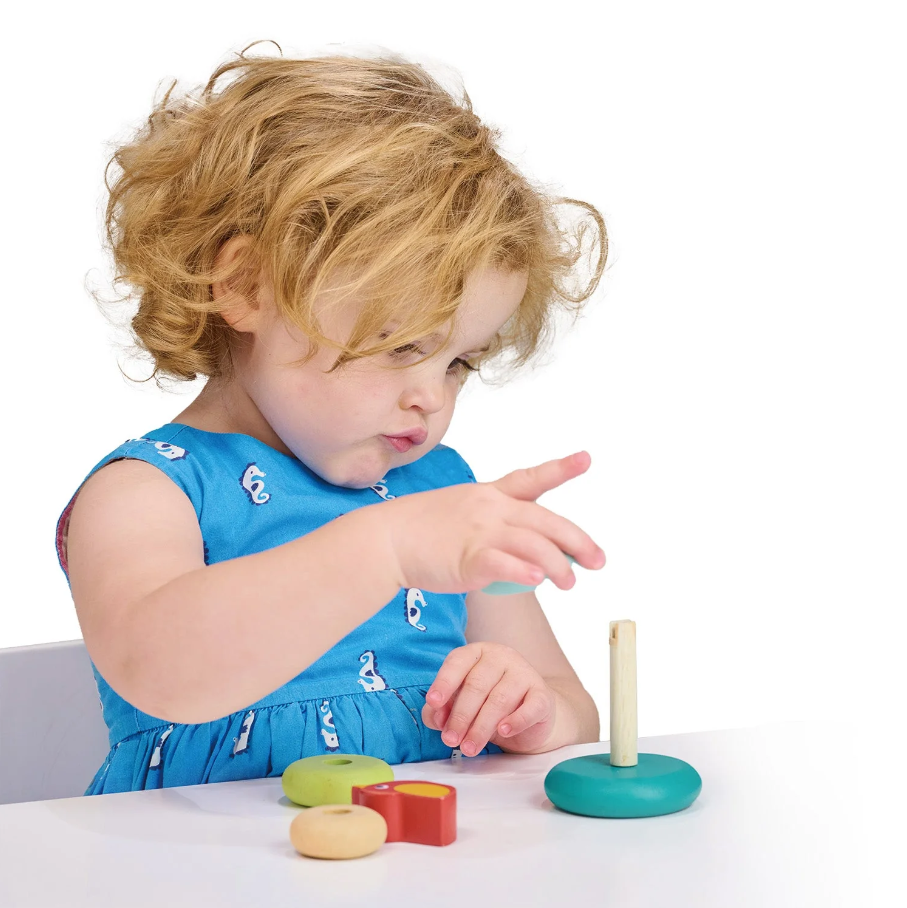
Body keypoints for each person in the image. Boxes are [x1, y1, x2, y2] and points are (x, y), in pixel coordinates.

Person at [55, 42, 609, 795]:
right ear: (247, 286)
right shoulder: (147, 492)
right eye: (400, 346)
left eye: (456, 363)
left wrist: (530, 710)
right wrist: (385, 548)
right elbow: (160, 670)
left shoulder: (445, 498)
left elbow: (568, 700)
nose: (432, 398)